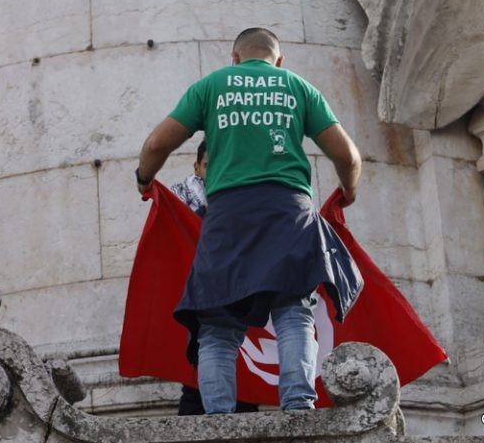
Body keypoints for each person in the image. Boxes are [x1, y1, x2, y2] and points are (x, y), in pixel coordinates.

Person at [135, 27, 363, 414]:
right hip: (289, 212)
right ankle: (298, 406)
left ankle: (219, 419)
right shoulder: (298, 87)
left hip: (228, 215)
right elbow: (349, 157)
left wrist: (144, 179)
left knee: (219, 326)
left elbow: (158, 143)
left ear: (235, 58)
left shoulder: (211, 87)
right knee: (293, 311)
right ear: (278, 60)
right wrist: (349, 190)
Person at [170, 139, 259, 415]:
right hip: (201, 300)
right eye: (209, 165)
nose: (215, 171)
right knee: (203, 364)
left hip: (240, 301)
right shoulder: (179, 202)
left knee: (240, 376)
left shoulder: (248, 201)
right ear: (197, 167)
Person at [170, 139, 208, 217]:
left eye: (219, 166)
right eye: (207, 166)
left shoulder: (236, 196)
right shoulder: (178, 196)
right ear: (197, 168)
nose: (214, 171)